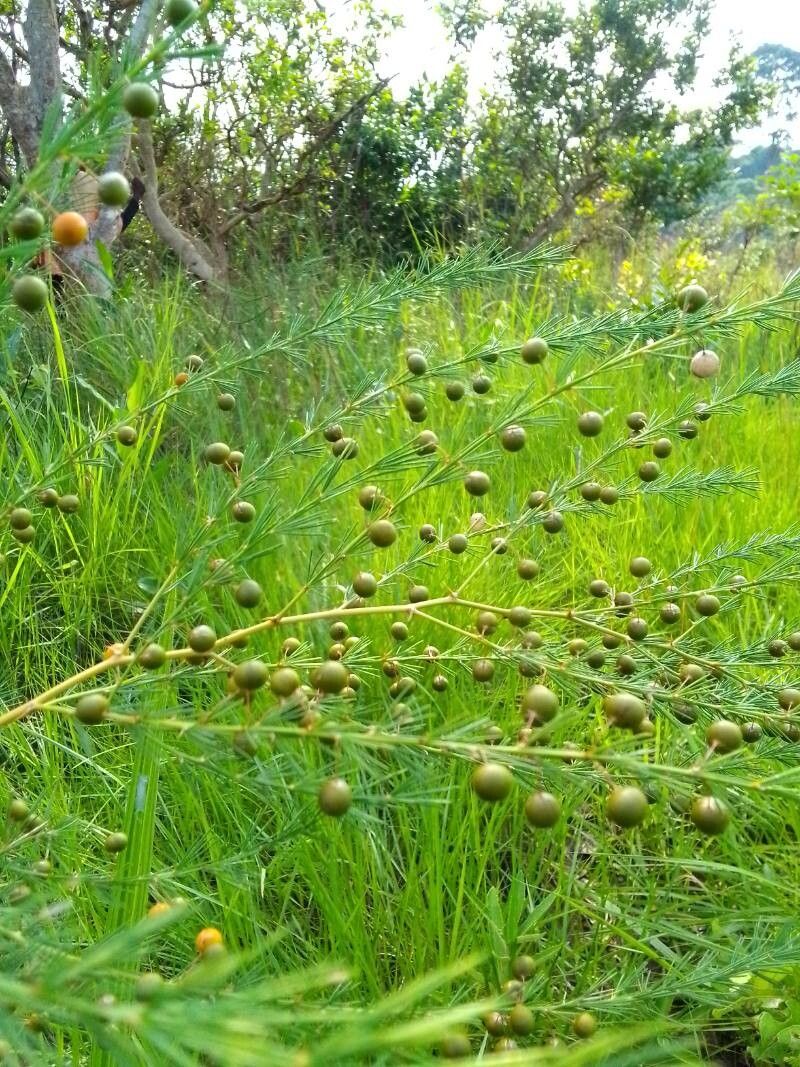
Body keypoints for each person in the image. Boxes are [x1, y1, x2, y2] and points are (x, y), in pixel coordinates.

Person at [38, 170, 146, 294]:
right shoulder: (100, 231)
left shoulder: (57, 236)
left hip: (76, 294)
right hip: (94, 296)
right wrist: (136, 198)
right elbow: (122, 222)